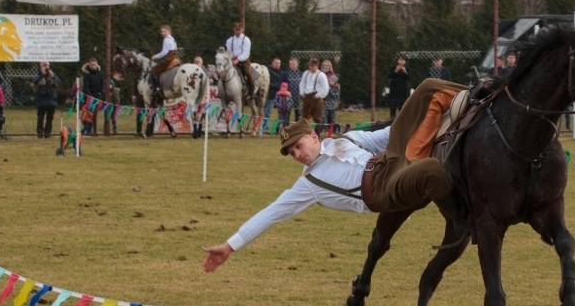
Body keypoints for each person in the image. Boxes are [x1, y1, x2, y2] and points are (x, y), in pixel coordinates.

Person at [201, 78, 470, 273]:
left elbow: (389, 136)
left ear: (313, 137)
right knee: (431, 169)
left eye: (298, 146)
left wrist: (415, 120)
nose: (297, 154)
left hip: (391, 159)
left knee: (427, 88)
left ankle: (479, 96)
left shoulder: (346, 139)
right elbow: (270, 214)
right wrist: (230, 245)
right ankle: (463, 221)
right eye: (291, 153)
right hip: (382, 190)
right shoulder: (308, 184)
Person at [34, 61, 61, 138]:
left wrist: (53, 76)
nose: (46, 67)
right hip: (41, 100)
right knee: (40, 118)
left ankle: (47, 133)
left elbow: (59, 83)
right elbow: (35, 82)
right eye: (44, 65)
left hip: (51, 100)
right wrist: (42, 75)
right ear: (40, 66)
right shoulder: (38, 75)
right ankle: (40, 133)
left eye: (47, 65)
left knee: (50, 118)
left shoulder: (53, 74)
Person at [226, 22, 254, 94]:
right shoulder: (229, 40)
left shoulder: (246, 39)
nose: (238, 31)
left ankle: (252, 90)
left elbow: (246, 53)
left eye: (239, 30)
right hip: (232, 60)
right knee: (224, 71)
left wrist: (238, 59)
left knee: (248, 73)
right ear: (234, 30)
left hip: (243, 60)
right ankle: (221, 90)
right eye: (236, 30)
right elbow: (229, 51)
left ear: (242, 30)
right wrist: (232, 58)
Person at [149, 25, 179, 93]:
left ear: (169, 31)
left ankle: (157, 89)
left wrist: (155, 56)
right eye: (162, 32)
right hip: (175, 58)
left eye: (165, 31)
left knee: (153, 71)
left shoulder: (166, 40)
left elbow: (164, 52)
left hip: (169, 59)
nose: (163, 33)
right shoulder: (172, 39)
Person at [299, 57, 329, 123]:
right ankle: (304, 128)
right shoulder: (306, 73)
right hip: (306, 96)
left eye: (312, 66)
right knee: (304, 115)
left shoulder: (321, 75)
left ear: (317, 66)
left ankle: (317, 129)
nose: (310, 67)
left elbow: (325, 87)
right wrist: (302, 92)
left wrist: (318, 95)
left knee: (317, 116)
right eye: (309, 65)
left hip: (315, 97)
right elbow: (302, 83)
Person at [321, 60, 340, 137]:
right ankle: (325, 130)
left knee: (332, 117)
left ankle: (332, 131)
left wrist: (329, 87)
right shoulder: (320, 75)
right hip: (324, 100)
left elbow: (335, 92)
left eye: (327, 65)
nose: (325, 67)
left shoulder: (333, 76)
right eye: (324, 65)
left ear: (330, 67)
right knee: (323, 116)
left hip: (332, 102)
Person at [282, 57, 302, 124]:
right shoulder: (285, 74)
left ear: (297, 64)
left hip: (298, 97)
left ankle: (296, 126)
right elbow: (281, 84)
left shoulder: (301, 74)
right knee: (287, 112)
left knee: (298, 113)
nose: (292, 65)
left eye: (294, 64)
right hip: (288, 96)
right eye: (290, 64)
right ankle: (286, 126)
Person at [265, 57, 283, 125]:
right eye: (276, 63)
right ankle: (265, 125)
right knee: (268, 111)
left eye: (279, 63)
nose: (278, 64)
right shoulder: (267, 71)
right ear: (272, 63)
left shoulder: (281, 72)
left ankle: (278, 125)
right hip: (270, 94)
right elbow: (267, 82)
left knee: (281, 111)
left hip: (280, 95)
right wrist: (277, 86)